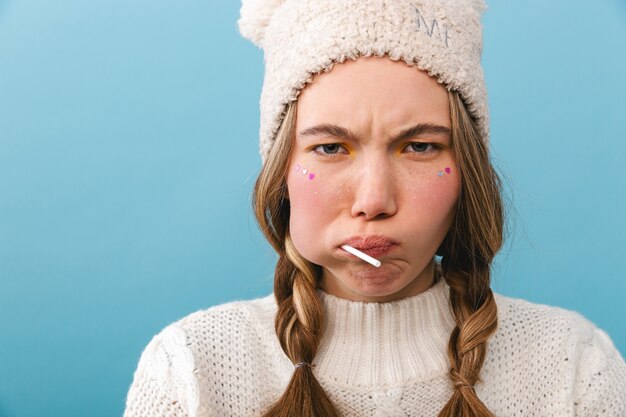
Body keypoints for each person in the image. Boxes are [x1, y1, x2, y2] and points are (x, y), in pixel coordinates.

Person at [123, 0, 626, 416]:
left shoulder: (573, 364)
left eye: (420, 147)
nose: (373, 201)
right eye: (330, 148)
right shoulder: (191, 369)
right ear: (281, 174)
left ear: (468, 171)